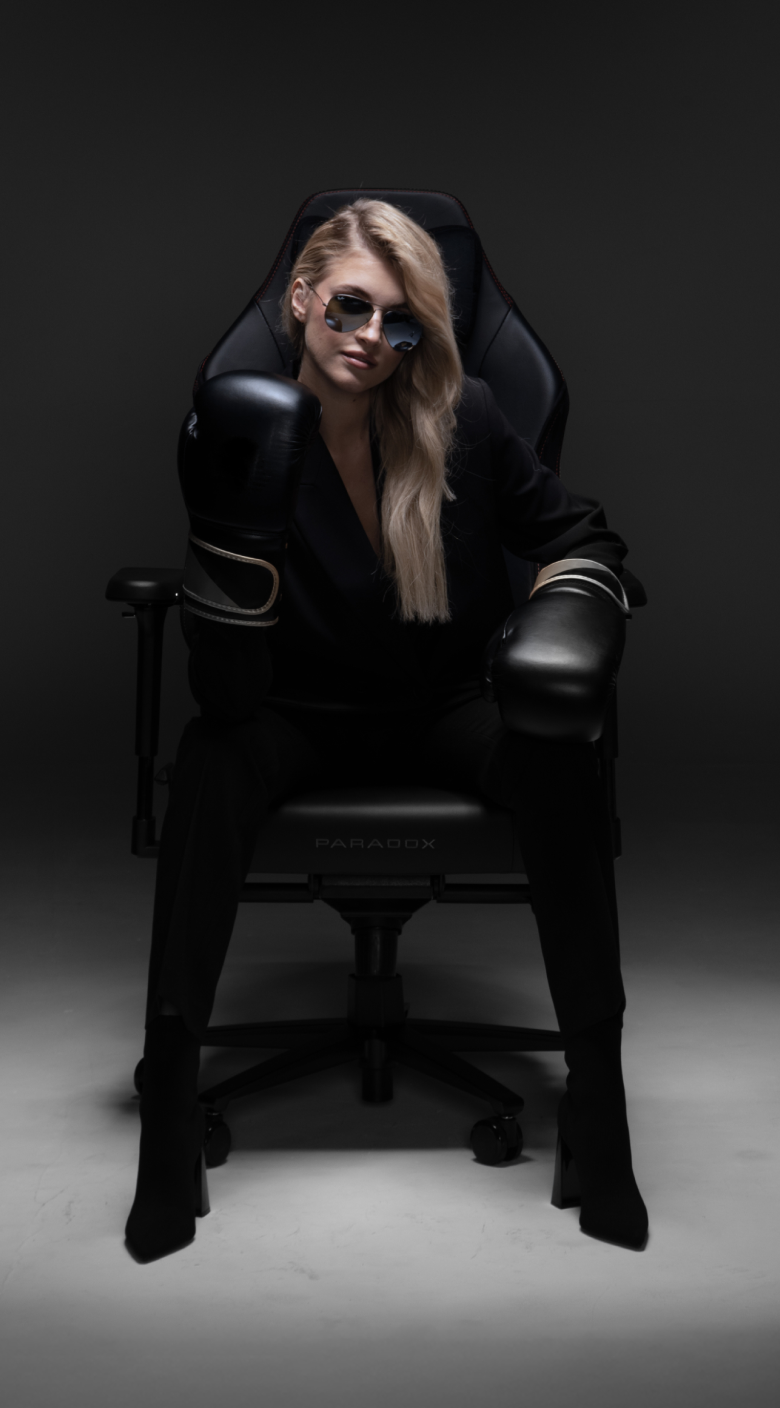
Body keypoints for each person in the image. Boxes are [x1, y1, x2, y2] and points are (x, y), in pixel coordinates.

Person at [125, 198, 648, 1262]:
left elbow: (580, 535)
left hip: (442, 706)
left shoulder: (466, 418)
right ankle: (169, 1090)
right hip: (293, 713)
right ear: (302, 299)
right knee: (212, 759)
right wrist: (231, 540)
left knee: (558, 759)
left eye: (399, 321)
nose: (371, 337)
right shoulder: (246, 427)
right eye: (350, 307)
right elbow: (227, 694)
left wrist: (566, 612)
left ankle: (599, 1090)